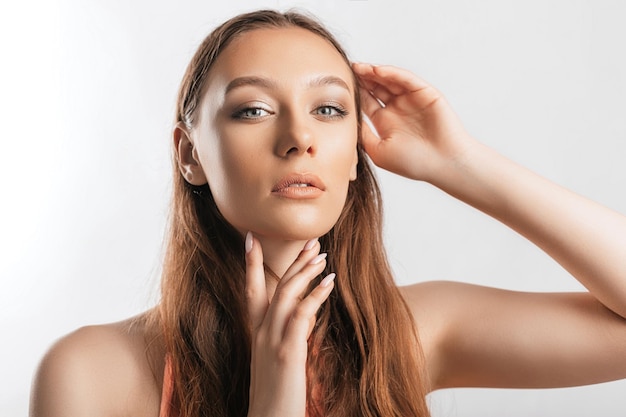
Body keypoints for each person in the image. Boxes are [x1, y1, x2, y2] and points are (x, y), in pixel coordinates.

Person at [30, 9, 626, 417]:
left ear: (353, 157)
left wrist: (459, 162)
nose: (298, 138)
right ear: (190, 156)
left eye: (330, 110)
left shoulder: (408, 334)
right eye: (254, 110)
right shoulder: (90, 373)